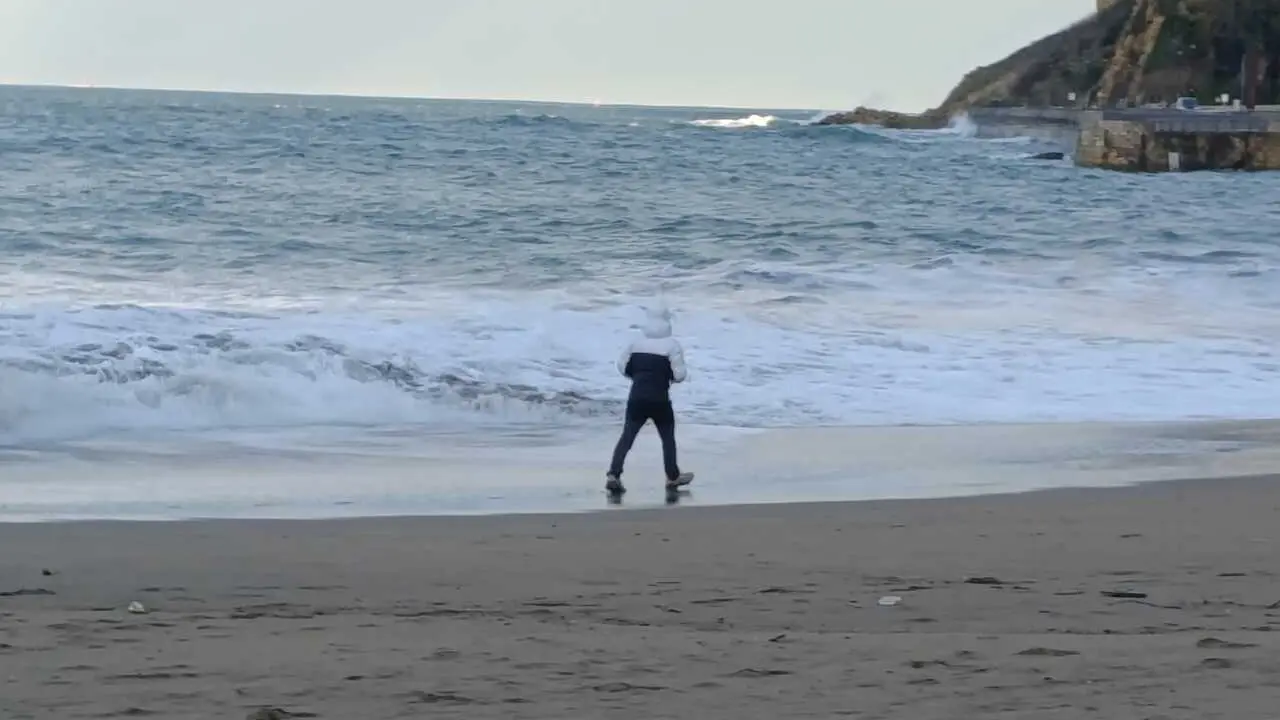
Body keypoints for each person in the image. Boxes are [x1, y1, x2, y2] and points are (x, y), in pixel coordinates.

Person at [605, 303, 694, 495]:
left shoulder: (635, 343)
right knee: (667, 438)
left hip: (636, 397)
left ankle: (614, 474)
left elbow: (622, 367)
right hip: (660, 399)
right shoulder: (672, 345)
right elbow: (680, 375)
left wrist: (638, 376)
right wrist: (666, 376)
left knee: (627, 437)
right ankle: (672, 476)